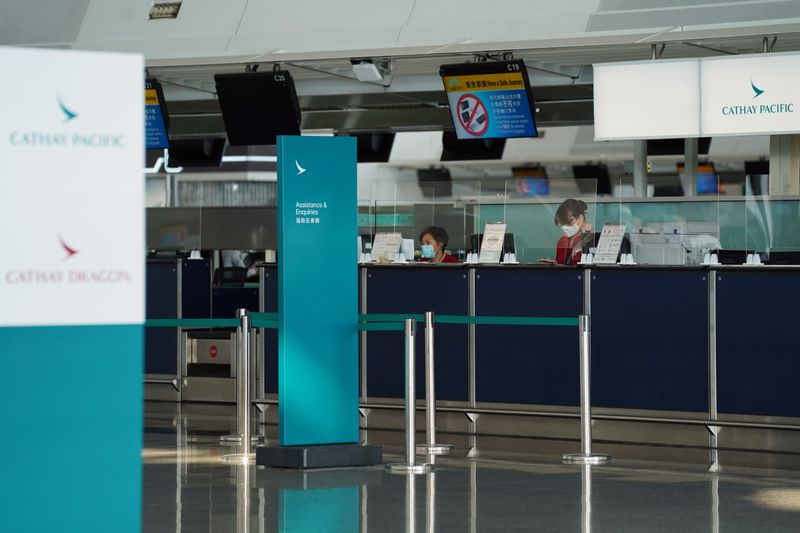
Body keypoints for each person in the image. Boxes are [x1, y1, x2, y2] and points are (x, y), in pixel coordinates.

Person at [553, 198, 594, 265]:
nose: (564, 227)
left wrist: (585, 235)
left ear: (580, 219)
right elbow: (559, 266)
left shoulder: (591, 239)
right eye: (562, 224)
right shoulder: (562, 241)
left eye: (568, 222)